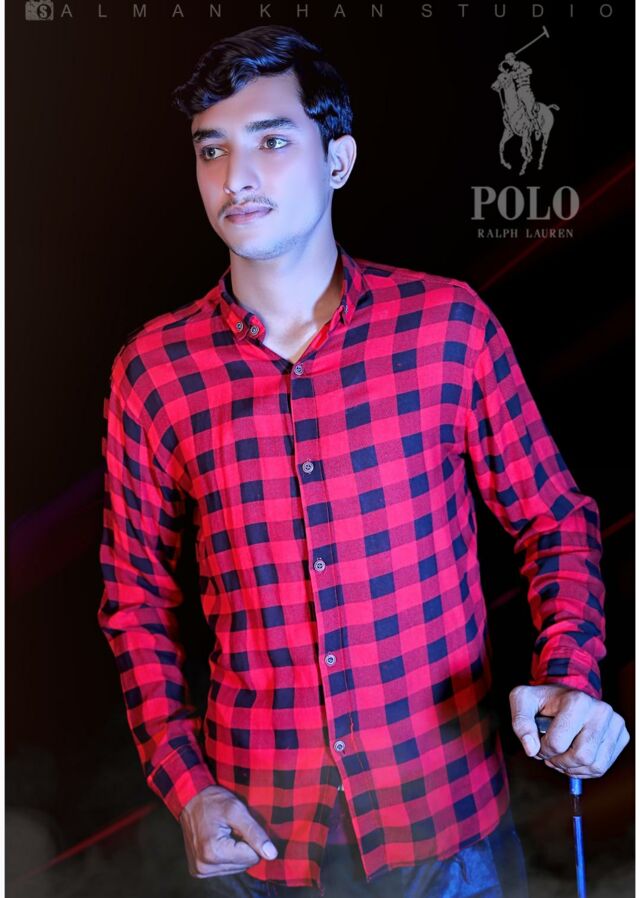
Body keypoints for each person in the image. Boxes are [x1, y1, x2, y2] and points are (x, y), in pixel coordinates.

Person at [97, 25, 629, 898]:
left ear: (337, 159)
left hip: (449, 833)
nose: (235, 177)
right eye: (212, 149)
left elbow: (555, 520)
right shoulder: (153, 371)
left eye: (272, 141)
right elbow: (135, 600)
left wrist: (570, 677)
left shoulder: (447, 326)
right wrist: (187, 786)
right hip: (257, 843)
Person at [501, 52, 540, 137]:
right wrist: (500, 67)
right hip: (518, 92)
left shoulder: (521, 64)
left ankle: (537, 127)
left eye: (509, 60)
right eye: (507, 61)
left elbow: (530, 71)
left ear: (513, 58)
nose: (508, 62)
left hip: (526, 90)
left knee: (529, 111)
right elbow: (505, 75)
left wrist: (519, 74)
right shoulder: (511, 71)